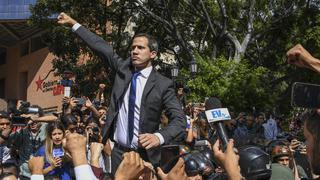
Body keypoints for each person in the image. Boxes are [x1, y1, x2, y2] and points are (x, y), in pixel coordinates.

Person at [57, 12, 186, 175]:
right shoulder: (123, 69)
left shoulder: (163, 84)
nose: (135, 51)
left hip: (146, 155)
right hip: (118, 152)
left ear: (152, 54)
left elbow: (180, 120)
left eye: (140, 48)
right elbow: (100, 46)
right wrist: (73, 23)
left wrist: (158, 137)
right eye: (133, 48)